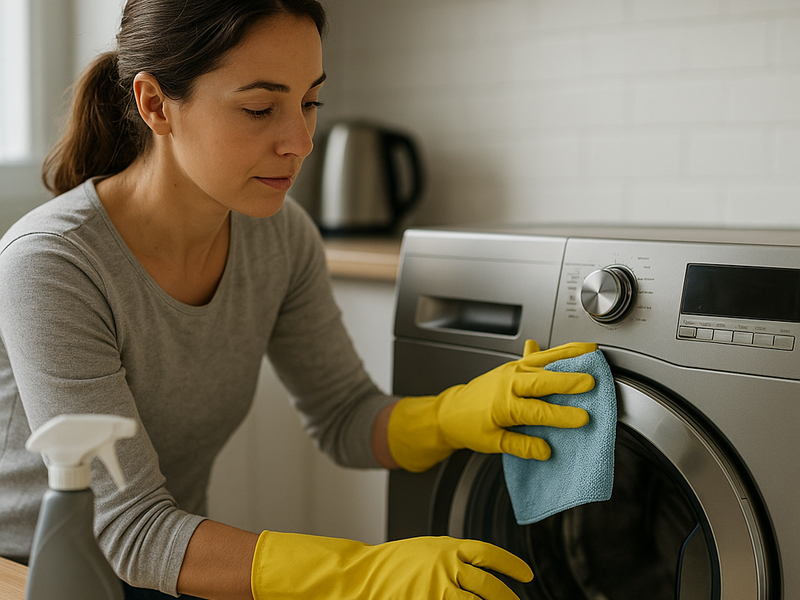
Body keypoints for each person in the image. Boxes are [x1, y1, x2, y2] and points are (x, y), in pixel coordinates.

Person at [0, 1, 597, 598]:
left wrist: (454, 415)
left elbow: (344, 416)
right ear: (155, 104)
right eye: (260, 108)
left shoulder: (280, 238)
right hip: (30, 573)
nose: (301, 141)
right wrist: (361, 576)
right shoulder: (53, 262)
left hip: (165, 571)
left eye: (310, 102)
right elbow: (128, 528)